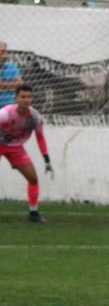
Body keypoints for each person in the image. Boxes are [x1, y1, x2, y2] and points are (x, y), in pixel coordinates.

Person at [0, 84, 54, 223]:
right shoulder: (5, 113)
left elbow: (40, 138)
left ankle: (33, 213)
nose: (26, 100)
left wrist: (47, 160)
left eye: (29, 97)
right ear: (16, 98)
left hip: (16, 148)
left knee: (33, 178)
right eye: (22, 97)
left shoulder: (35, 117)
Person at [0, 42, 21, 108]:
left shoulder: (12, 66)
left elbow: (18, 84)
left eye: (3, 51)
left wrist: (2, 85)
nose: (1, 54)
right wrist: (11, 85)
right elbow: (15, 84)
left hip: (11, 107)